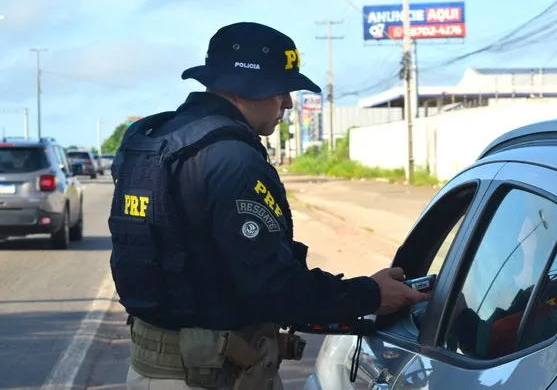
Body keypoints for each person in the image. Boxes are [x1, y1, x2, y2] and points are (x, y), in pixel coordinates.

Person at [108, 22, 428, 390]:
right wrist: (369, 295)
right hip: (212, 376)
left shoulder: (153, 140)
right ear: (248, 88)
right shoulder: (231, 159)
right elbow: (274, 288)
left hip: (154, 367)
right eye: (282, 89)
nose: (289, 103)